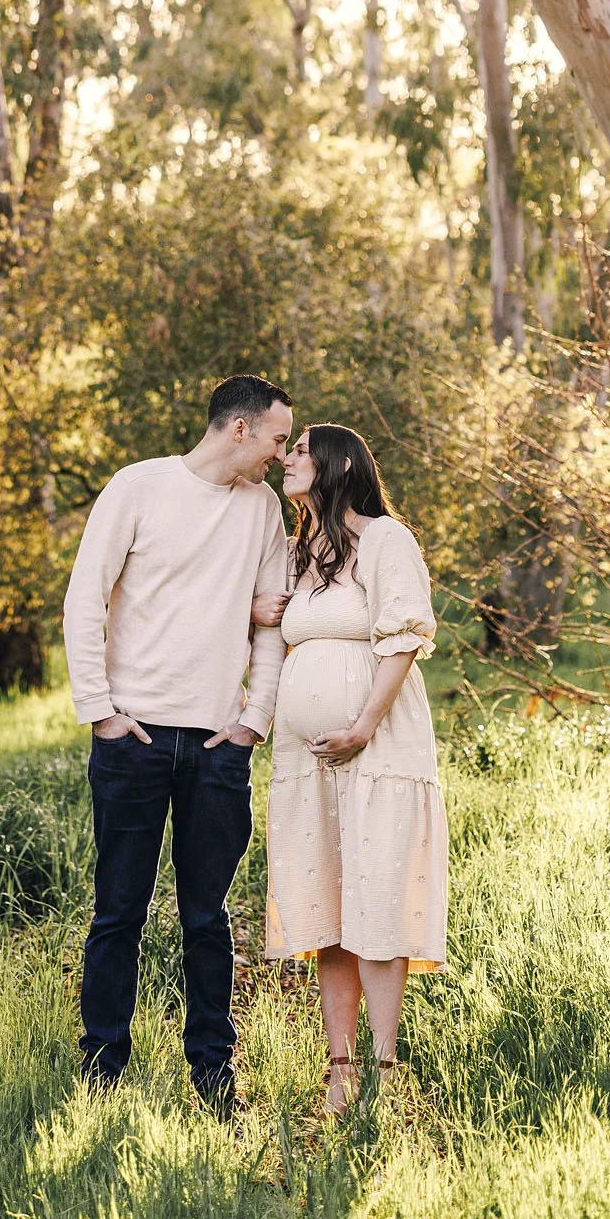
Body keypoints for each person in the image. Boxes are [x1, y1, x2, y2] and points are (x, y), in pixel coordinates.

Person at [62, 374, 294, 1112]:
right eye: (277, 439)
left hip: (218, 744)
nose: (281, 454)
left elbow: (271, 624)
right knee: (118, 912)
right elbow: (83, 598)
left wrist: (254, 720)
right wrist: (100, 711)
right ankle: (102, 1070)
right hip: (131, 737)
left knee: (208, 918)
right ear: (239, 428)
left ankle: (215, 1077)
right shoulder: (138, 488)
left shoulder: (263, 510)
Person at [254, 422, 448, 1114]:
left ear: (338, 465)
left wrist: (363, 725)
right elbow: (265, 633)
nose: (287, 459)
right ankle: (340, 1070)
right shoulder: (294, 552)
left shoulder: (386, 540)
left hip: (379, 748)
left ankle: (385, 1071)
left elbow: (406, 636)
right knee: (328, 908)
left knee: (379, 902)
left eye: (301, 450)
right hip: (307, 764)